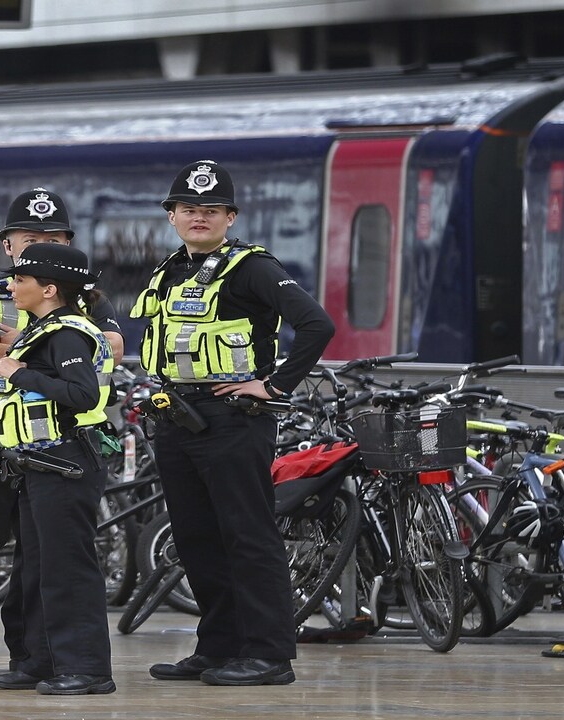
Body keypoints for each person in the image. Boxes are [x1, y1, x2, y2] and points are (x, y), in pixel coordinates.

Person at [131, 160, 335, 686]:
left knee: (248, 535)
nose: (199, 217)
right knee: (197, 538)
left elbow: (316, 325)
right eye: (189, 208)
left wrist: (273, 386)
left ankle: (269, 655)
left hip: (233, 419)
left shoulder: (253, 268)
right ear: (172, 216)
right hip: (178, 419)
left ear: (231, 216)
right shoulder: (172, 268)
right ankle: (218, 647)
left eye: (211, 210)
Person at [0, 188, 123, 676]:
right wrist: (40, 354)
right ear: (8, 244)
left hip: (53, 439)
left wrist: (24, 354)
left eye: (53, 237)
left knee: (40, 550)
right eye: (31, 237)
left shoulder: (75, 303)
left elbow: (112, 346)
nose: (40, 243)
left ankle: (30, 651)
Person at [0, 242, 116, 695]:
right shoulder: (43, 328)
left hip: (67, 461)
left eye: (21, 280)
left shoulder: (67, 334)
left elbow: (84, 395)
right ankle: (42, 661)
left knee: (68, 567)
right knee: (37, 566)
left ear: (50, 288)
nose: (12, 286)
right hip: (40, 463)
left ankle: (87, 669)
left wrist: (18, 372)